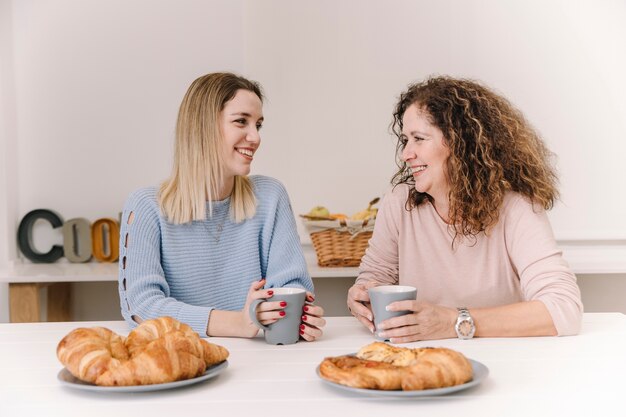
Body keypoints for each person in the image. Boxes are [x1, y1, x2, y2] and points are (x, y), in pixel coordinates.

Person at [347, 76, 583, 343]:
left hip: (507, 362)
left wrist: (453, 322)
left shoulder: (516, 209)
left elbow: (564, 309)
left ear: (461, 144)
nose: (406, 154)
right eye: (405, 140)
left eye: (419, 139)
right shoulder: (398, 204)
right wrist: (363, 295)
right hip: (418, 362)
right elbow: (375, 278)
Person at [118, 72, 325, 340]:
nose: (255, 137)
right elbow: (141, 308)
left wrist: (294, 313)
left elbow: (291, 285)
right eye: (241, 122)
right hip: (184, 360)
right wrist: (236, 323)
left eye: (258, 125)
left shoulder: (270, 196)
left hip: (261, 361)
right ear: (202, 127)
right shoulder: (146, 207)